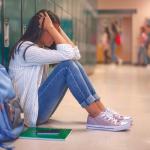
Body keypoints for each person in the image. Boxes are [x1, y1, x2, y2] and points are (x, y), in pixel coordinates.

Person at [9, 9, 132, 132]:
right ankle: (96, 115)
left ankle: (101, 111)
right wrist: (52, 28)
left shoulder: (39, 48)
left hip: (39, 108)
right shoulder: (25, 50)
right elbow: (68, 53)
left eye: (57, 31)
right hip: (34, 113)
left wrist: (56, 28)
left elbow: (75, 54)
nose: (55, 36)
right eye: (51, 31)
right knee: (67, 66)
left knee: (73, 63)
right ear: (41, 29)